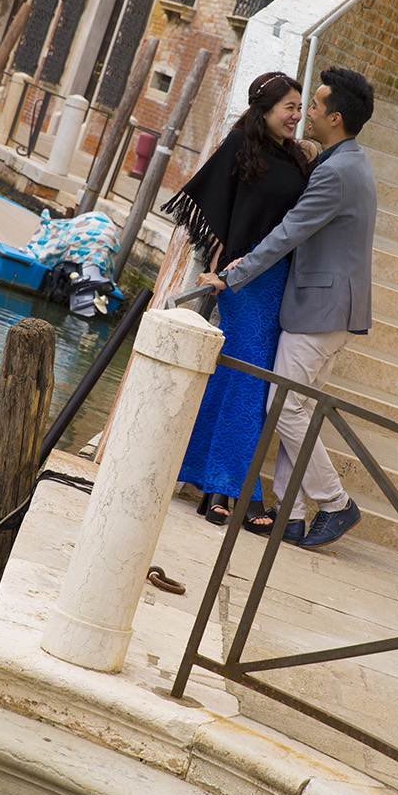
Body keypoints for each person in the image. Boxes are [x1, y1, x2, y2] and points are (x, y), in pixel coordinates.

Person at [199, 67, 377, 549]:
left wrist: (230, 276)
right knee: (292, 406)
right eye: (299, 106)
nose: (306, 114)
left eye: (313, 106)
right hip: (328, 308)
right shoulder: (348, 161)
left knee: (286, 408)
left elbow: (286, 234)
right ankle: (292, 515)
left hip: (320, 309)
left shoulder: (336, 171)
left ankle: (335, 503)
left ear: (335, 117)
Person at [164, 71, 312, 535]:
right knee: (249, 385)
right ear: (265, 109)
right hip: (243, 285)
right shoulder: (238, 147)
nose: (296, 114)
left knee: (236, 378)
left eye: (299, 106)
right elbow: (207, 204)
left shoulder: (297, 157)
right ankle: (241, 492)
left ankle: (211, 486)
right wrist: (219, 259)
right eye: (289, 106)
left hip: (278, 283)